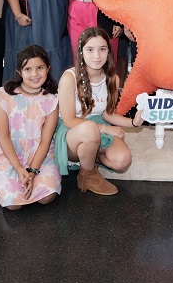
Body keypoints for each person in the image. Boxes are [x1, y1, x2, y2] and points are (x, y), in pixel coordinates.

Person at [56, 28, 139, 196]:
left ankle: (93, 155)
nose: (97, 55)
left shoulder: (113, 78)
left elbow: (108, 113)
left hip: (98, 124)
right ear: (81, 51)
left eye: (102, 49)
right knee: (90, 129)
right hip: (73, 129)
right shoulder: (69, 78)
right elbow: (69, 120)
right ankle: (88, 174)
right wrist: (105, 129)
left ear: (109, 51)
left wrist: (133, 123)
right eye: (90, 49)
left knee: (122, 160)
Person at [0, 45, 62, 209]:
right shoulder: (3, 96)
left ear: (48, 69)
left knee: (47, 196)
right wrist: (19, 168)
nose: (35, 74)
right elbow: (3, 137)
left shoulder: (51, 100)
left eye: (40, 68)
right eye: (28, 69)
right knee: (13, 204)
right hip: (11, 155)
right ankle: (3, 182)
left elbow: (45, 141)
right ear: (19, 72)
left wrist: (32, 171)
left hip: (40, 156)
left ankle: (36, 177)